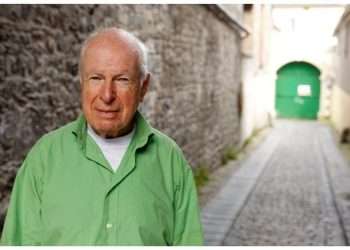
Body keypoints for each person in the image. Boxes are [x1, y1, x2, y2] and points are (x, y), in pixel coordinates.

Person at [0, 27, 203, 246]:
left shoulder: (170, 161)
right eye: (96, 78)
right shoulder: (43, 158)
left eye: (122, 80)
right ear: (82, 83)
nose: (107, 95)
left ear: (143, 88)